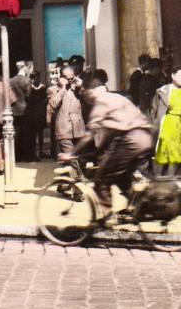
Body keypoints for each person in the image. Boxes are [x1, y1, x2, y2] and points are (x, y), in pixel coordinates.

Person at [64, 71, 154, 221]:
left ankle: (107, 216)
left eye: (87, 91)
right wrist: (98, 152)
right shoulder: (117, 97)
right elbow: (111, 133)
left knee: (102, 177)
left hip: (132, 140)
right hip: (146, 138)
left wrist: (72, 153)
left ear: (95, 91)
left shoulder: (101, 102)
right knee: (119, 174)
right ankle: (139, 207)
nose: (85, 94)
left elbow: (89, 134)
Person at [151, 66, 181, 178]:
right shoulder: (164, 90)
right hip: (170, 124)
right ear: (172, 76)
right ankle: (170, 183)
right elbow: (155, 111)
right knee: (172, 159)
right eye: (180, 75)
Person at [48, 65, 85, 161]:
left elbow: (86, 99)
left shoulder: (77, 89)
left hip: (78, 129)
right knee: (71, 159)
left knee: (80, 158)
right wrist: (63, 89)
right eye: (67, 78)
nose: (69, 80)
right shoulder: (54, 90)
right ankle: (77, 175)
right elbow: (54, 104)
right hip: (64, 129)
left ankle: (77, 174)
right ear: (61, 77)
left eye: (71, 78)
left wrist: (80, 86)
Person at [21, 70, 47, 161]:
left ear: (39, 78)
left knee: (40, 133)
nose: (34, 79)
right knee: (33, 134)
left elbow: (45, 101)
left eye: (35, 77)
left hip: (40, 113)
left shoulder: (43, 88)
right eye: (32, 77)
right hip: (32, 114)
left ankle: (41, 150)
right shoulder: (29, 89)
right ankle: (34, 152)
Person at [9, 61, 31, 161]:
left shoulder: (11, 80)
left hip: (14, 109)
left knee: (16, 132)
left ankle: (16, 155)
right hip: (24, 109)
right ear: (24, 68)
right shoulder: (27, 80)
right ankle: (25, 155)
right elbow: (29, 95)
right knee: (25, 133)